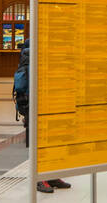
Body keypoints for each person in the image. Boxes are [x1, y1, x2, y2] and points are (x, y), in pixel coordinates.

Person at [11, 38, 71, 194]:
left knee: (52, 141)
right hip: (34, 104)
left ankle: (52, 176)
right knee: (39, 142)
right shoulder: (34, 53)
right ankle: (39, 178)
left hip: (48, 103)